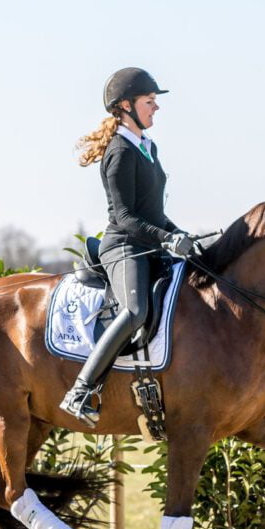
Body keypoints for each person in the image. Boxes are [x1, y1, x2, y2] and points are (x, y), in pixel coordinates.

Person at [60, 67, 197, 426]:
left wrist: (182, 235)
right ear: (125, 106)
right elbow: (124, 216)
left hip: (150, 242)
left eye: (154, 102)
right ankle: (82, 389)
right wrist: (166, 238)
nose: (156, 108)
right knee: (135, 310)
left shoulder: (148, 147)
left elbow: (154, 212)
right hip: (124, 246)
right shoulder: (120, 151)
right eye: (149, 102)